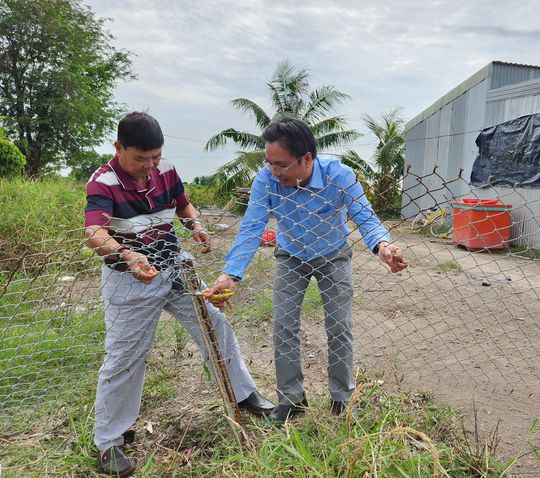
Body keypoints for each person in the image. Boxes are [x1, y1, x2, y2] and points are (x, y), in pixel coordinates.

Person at [84, 112, 274, 477]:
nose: (149, 166)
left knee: (217, 328)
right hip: (131, 280)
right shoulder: (103, 182)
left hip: (175, 269)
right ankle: (110, 441)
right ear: (118, 147)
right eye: (140, 158)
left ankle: (244, 396)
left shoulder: (165, 169)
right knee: (125, 356)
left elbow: (183, 205)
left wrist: (196, 226)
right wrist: (127, 255)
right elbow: (95, 233)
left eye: (155, 156)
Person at [209, 116, 407, 425]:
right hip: (291, 255)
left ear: (307, 159)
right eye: (270, 163)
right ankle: (292, 399)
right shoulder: (267, 180)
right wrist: (229, 274)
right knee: (283, 325)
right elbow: (251, 228)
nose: (275, 172)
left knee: (339, 327)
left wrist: (383, 245)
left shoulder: (339, 176)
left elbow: (365, 217)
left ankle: (342, 399)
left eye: (282, 165)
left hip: (333, 255)